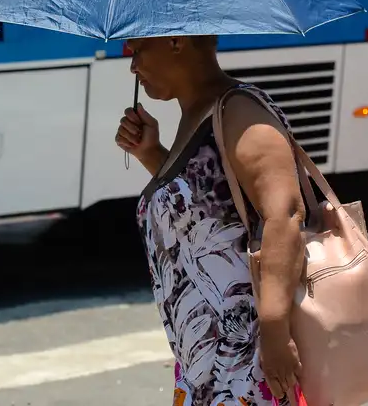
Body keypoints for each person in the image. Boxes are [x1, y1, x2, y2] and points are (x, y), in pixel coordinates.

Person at [115, 35, 308, 405]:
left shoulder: (239, 111)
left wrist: (274, 329)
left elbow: (283, 215)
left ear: (175, 41)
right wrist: (151, 153)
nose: (133, 66)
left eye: (138, 50)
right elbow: (206, 215)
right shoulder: (198, 114)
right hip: (207, 366)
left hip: (247, 360)